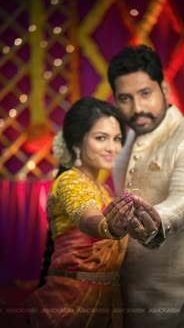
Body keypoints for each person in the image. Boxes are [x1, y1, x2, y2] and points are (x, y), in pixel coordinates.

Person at [106, 44, 184, 328]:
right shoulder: (124, 146)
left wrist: (156, 220)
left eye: (145, 93)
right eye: (125, 98)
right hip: (132, 309)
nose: (137, 108)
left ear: (165, 90)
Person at [27, 96, 134, 328]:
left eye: (117, 139)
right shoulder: (69, 181)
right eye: (101, 138)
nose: (112, 147)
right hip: (71, 304)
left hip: (108, 304)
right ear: (77, 143)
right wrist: (108, 227)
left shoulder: (104, 189)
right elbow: (87, 217)